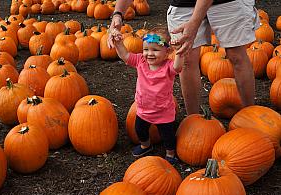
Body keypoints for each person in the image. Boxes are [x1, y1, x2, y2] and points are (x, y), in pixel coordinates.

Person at [108, 0, 259, 115]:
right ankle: (193, 118)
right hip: (184, 4)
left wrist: (195, 21)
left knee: (236, 55)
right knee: (185, 58)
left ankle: (249, 115)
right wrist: (118, 14)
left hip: (228, 2)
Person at [110, 27, 182, 164]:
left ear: (167, 52)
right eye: (146, 49)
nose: (149, 53)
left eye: (155, 50)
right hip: (143, 108)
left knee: (167, 135)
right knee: (139, 130)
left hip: (163, 110)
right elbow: (125, 55)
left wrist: (179, 51)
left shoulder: (168, 67)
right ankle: (146, 145)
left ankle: (170, 154)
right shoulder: (140, 61)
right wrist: (118, 44)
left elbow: (178, 67)